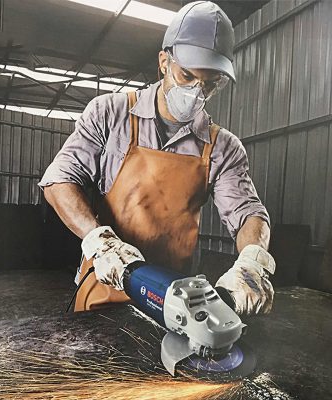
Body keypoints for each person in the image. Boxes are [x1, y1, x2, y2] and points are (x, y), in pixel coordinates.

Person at [38, 1, 276, 315]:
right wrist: (100, 241)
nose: (196, 91)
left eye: (209, 84)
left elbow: (248, 213)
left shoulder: (223, 147)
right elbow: (58, 181)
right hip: (104, 285)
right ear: (164, 61)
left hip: (173, 301)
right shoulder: (110, 114)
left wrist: (252, 263)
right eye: (187, 75)